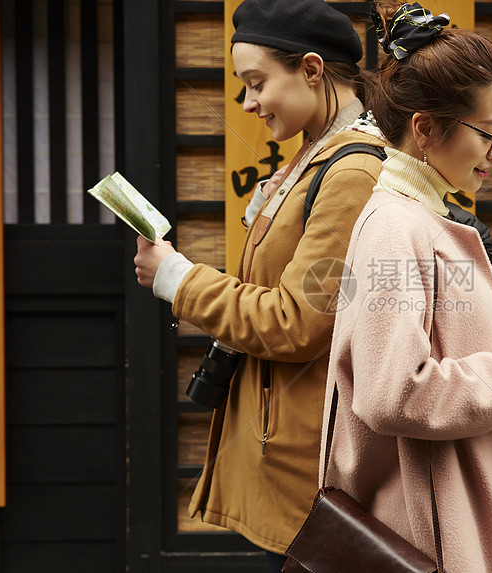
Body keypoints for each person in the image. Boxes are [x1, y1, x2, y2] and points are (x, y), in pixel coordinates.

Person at [317, 2, 492, 571]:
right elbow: (395, 392)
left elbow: (443, 356)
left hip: (455, 507)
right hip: (437, 528)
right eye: (489, 133)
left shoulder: (419, 215)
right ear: (425, 129)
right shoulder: (396, 226)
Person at [132, 1, 385, 571]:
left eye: (256, 83)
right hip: (292, 450)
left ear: (313, 70)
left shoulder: (352, 172)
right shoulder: (313, 161)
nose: (247, 104)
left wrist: (177, 280)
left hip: (313, 469)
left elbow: (297, 322)